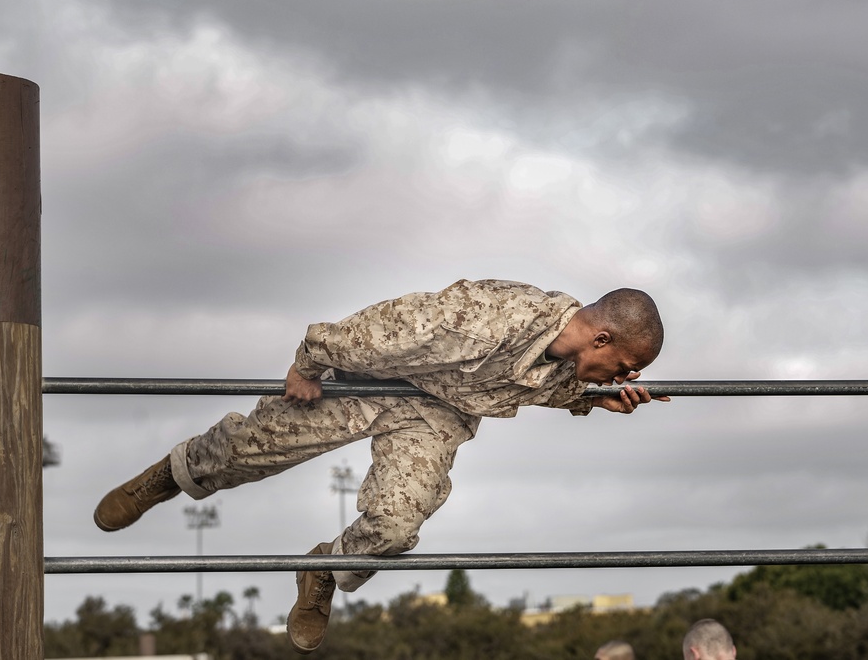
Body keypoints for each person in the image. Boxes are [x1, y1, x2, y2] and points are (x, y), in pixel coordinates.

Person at [93, 278, 667, 654]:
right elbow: (384, 329)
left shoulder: (570, 362)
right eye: (624, 365)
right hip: (373, 378)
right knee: (251, 450)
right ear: (602, 335)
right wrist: (310, 360)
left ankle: (323, 570)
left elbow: (541, 386)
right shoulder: (491, 318)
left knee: (396, 524)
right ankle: (168, 477)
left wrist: (593, 399)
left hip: (435, 413)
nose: (624, 376)